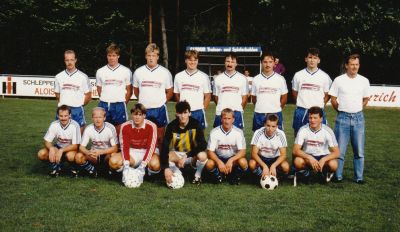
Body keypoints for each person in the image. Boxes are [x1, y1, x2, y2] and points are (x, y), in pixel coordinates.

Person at [329, 53, 370, 184]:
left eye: (356, 64)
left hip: (358, 119)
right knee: (339, 150)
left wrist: (358, 108)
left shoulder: (364, 81)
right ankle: (338, 176)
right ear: (346, 65)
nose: (354, 67)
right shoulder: (339, 80)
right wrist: (342, 111)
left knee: (359, 151)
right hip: (343, 118)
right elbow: (333, 99)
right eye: (352, 64)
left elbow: (366, 98)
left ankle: (359, 177)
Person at [133, 43, 173, 149]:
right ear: (146, 56)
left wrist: (162, 102)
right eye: (149, 55)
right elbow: (136, 90)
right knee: (143, 137)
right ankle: (144, 161)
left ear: (158, 57)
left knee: (160, 137)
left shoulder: (165, 72)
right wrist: (143, 102)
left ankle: (160, 161)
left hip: (159, 109)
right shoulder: (138, 72)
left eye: (154, 55)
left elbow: (170, 91)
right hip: (143, 109)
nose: (151, 58)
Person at [108, 103, 160, 182]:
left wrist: (142, 166)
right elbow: (124, 147)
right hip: (132, 151)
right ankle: (126, 173)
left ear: (144, 116)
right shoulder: (125, 126)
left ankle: (148, 174)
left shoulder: (151, 126)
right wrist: (126, 165)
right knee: (113, 162)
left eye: (140, 115)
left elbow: (151, 148)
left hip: (147, 151)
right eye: (135, 114)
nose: (137, 117)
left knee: (155, 164)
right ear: (131, 115)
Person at [161, 101, 208, 186]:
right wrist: (166, 168)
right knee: (169, 154)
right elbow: (164, 147)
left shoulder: (195, 124)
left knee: (203, 155)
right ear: (176, 114)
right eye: (180, 113)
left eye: (185, 113)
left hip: (191, 154)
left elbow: (203, 144)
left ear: (189, 113)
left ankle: (197, 175)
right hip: (177, 154)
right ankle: (178, 174)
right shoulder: (171, 126)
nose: (183, 116)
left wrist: (187, 155)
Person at [292, 106, 339, 184]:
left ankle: (325, 173)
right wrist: (309, 157)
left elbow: (337, 152)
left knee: (334, 164)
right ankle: (307, 175)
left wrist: (323, 159)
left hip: (323, 156)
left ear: (321, 119)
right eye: (310, 118)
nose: (312, 120)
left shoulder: (328, 131)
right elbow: (295, 150)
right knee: (297, 161)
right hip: (308, 156)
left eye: (315, 118)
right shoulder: (303, 129)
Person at [291, 47, 332, 136]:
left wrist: (319, 106)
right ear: (306, 59)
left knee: (319, 140)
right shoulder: (298, 75)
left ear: (319, 60)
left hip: (318, 112)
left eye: (315, 58)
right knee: (299, 139)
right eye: (310, 57)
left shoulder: (325, 76)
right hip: (301, 111)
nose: (312, 60)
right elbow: (295, 93)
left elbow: (327, 94)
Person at [96, 43, 133, 135]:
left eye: (114, 55)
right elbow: (99, 89)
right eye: (109, 55)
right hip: (104, 104)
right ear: (106, 56)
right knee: (104, 129)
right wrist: (106, 98)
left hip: (119, 104)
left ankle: (119, 148)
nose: (111, 58)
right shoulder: (100, 71)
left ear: (118, 56)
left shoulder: (126, 71)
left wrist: (123, 103)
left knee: (119, 130)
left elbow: (129, 90)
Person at [206, 108, 248, 185]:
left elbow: (242, 152)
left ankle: (235, 176)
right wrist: (219, 162)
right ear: (221, 119)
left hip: (233, 159)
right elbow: (210, 151)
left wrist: (231, 160)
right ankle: (218, 176)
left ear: (233, 119)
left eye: (229, 118)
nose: (227, 121)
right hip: (219, 158)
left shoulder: (238, 132)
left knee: (243, 162)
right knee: (209, 163)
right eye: (224, 118)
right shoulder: (214, 132)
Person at [37, 105, 81, 177]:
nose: (63, 118)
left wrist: (61, 150)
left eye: (65, 116)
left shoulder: (75, 125)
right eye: (61, 116)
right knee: (41, 154)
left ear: (70, 115)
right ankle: (55, 168)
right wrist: (51, 148)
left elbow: (76, 146)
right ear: (58, 115)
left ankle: (74, 168)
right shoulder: (54, 124)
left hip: (70, 149)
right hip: (58, 146)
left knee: (70, 156)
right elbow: (46, 141)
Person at [54, 50, 91, 133]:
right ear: (64, 61)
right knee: (62, 138)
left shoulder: (83, 77)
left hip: (77, 110)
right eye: (67, 60)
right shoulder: (58, 76)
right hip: (63, 110)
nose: (69, 62)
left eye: (71, 60)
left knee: (78, 140)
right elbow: (57, 94)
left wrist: (79, 104)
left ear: (75, 60)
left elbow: (88, 95)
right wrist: (64, 104)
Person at [75, 107, 119, 177]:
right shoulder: (89, 128)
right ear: (92, 118)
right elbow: (81, 147)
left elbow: (115, 148)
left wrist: (101, 152)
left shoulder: (110, 128)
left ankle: (108, 170)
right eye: (95, 117)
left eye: (100, 117)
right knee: (78, 156)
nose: (98, 120)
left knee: (113, 155)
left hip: (106, 154)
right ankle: (92, 170)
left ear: (104, 118)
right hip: (94, 155)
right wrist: (88, 152)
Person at [173, 50, 211, 129]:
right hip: (184, 113)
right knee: (183, 137)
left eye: (195, 60)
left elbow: (207, 96)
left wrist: (202, 110)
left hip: (198, 112)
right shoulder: (178, 76)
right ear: (186, 60)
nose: (192, 62)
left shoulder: (204, 76)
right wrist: (181, 108)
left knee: (199, 138)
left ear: (198, 61)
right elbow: (177, 94)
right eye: (190, 60)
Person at [251, 52, 288, 131]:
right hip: (259, 114)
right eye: (265, 62)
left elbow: (284, 98)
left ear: (274, 63)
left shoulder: (280, 79)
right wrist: (261, 107)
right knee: (258, 140)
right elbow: (254, 99)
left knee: (276, 140)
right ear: (261, 63)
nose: (267, 64)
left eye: (270, 62)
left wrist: (276, 108)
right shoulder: (256, 79)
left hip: (275, 113)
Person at [249, 114, 290, 180]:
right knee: (252, 164)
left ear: (276, 126)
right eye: (268, 126)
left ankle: (275, 177)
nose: (270, 129)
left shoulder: (280, 134)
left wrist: (274, 165)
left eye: (273, 126)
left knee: (286, 167)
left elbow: (283, 155)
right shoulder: (258, 133)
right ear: (264, 124)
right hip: (262, 158)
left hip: (275, 158)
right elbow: (254, 154)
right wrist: (264, 166)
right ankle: (262, 177)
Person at [213, 52, 248, 129]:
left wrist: (238, 108)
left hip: (236, 113)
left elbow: (245, 97)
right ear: (224, 63)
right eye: (228, 61)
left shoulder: (242, 78)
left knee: (237, 138)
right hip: (220, 113)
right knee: (219, 138)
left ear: (236, 64)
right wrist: (222, 107)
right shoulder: (218, 79)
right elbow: (215, 97)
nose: (230, 64)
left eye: (232, 62)